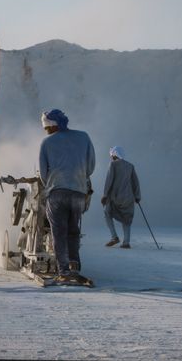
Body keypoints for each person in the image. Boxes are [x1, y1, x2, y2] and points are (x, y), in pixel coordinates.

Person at [38, 109, 95, 283]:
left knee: (58, 231)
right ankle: (74, 265)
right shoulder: (84, 137)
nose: (45, 131)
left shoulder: (47, 142)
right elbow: (91, 166)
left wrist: (52, 183)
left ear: (52, 126)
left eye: (46, 127)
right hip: (78, 192)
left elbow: (43, 173)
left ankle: (63, 270)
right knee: (73, 229)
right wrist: (79, 178)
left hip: (57, 192)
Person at [102, 146, 141, 248]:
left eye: (111, 155)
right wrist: (137, 196)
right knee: (126, 218)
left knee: (107, 213)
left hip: (115, 197)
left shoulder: (113, 165)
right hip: (129, 198)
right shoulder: (130, 166)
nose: (111, 157)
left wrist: (105, 195)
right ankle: (126, 242)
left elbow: (109, 181)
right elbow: (135, 182)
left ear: (114, 155)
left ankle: (114, 237)